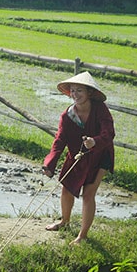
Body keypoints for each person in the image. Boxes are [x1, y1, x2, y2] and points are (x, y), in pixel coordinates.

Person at [42, 71, 115, 246]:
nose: (75, 94)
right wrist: (49, 164)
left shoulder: (100, 110)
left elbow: (109, 133)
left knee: (88, 195)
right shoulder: (67, 116)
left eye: (79, 91)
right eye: (73, 91)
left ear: (89, 92)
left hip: (100, 155)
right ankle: (64, 222)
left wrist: (94, 142)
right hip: (77, 156)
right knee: (66, 188)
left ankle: (82, 236)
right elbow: (59, 140)